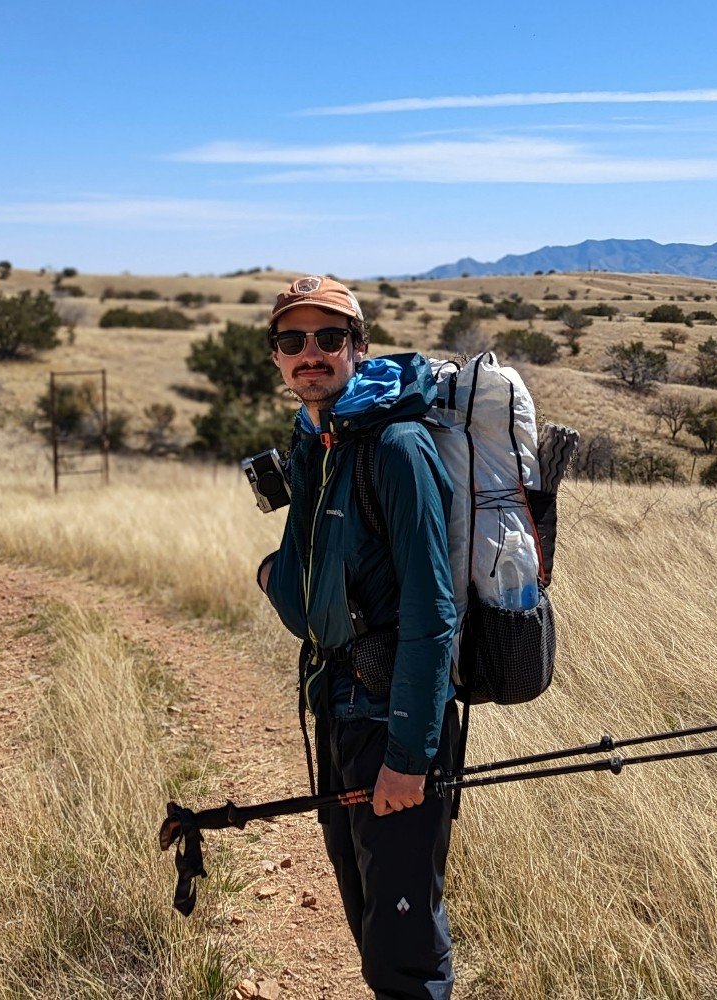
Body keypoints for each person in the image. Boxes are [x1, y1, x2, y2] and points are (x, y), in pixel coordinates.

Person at [256, 275, 461, 1000]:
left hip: (391, 725)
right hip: (337, 711)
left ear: (359, 347)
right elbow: (309, 599)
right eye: (292, 341)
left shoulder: (397, 446)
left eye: (329, 338)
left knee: (403, 950)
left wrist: (408, 758)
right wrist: (273, 574)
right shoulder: (316, 442)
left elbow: (434, 612)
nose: (310, 353)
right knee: (367, 922)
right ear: (278, 358)